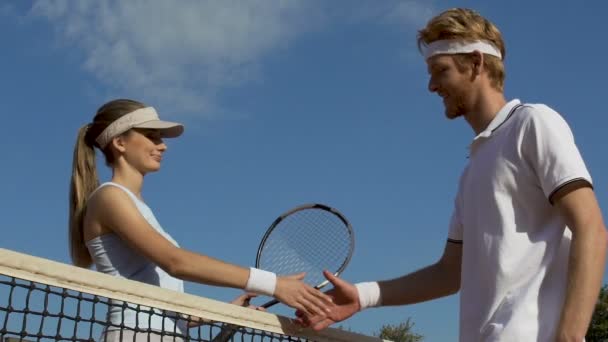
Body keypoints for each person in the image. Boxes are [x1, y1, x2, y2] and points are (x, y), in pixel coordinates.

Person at [299, 8, 607, 342]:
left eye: (440, 71)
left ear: (476, 63)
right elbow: (450, 273)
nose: (432, 86)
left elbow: (590, 228)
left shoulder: (533, 123)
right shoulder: (471, 170)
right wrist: (364, 295)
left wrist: (570, 337)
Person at [69, 99, 332, 341]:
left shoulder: (135, 205)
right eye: (151, 136)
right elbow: (176, 262)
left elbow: (166, 309)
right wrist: (273, 283)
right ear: (120, 143)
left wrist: (225, 311)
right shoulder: (109, 197)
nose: (162, 145)